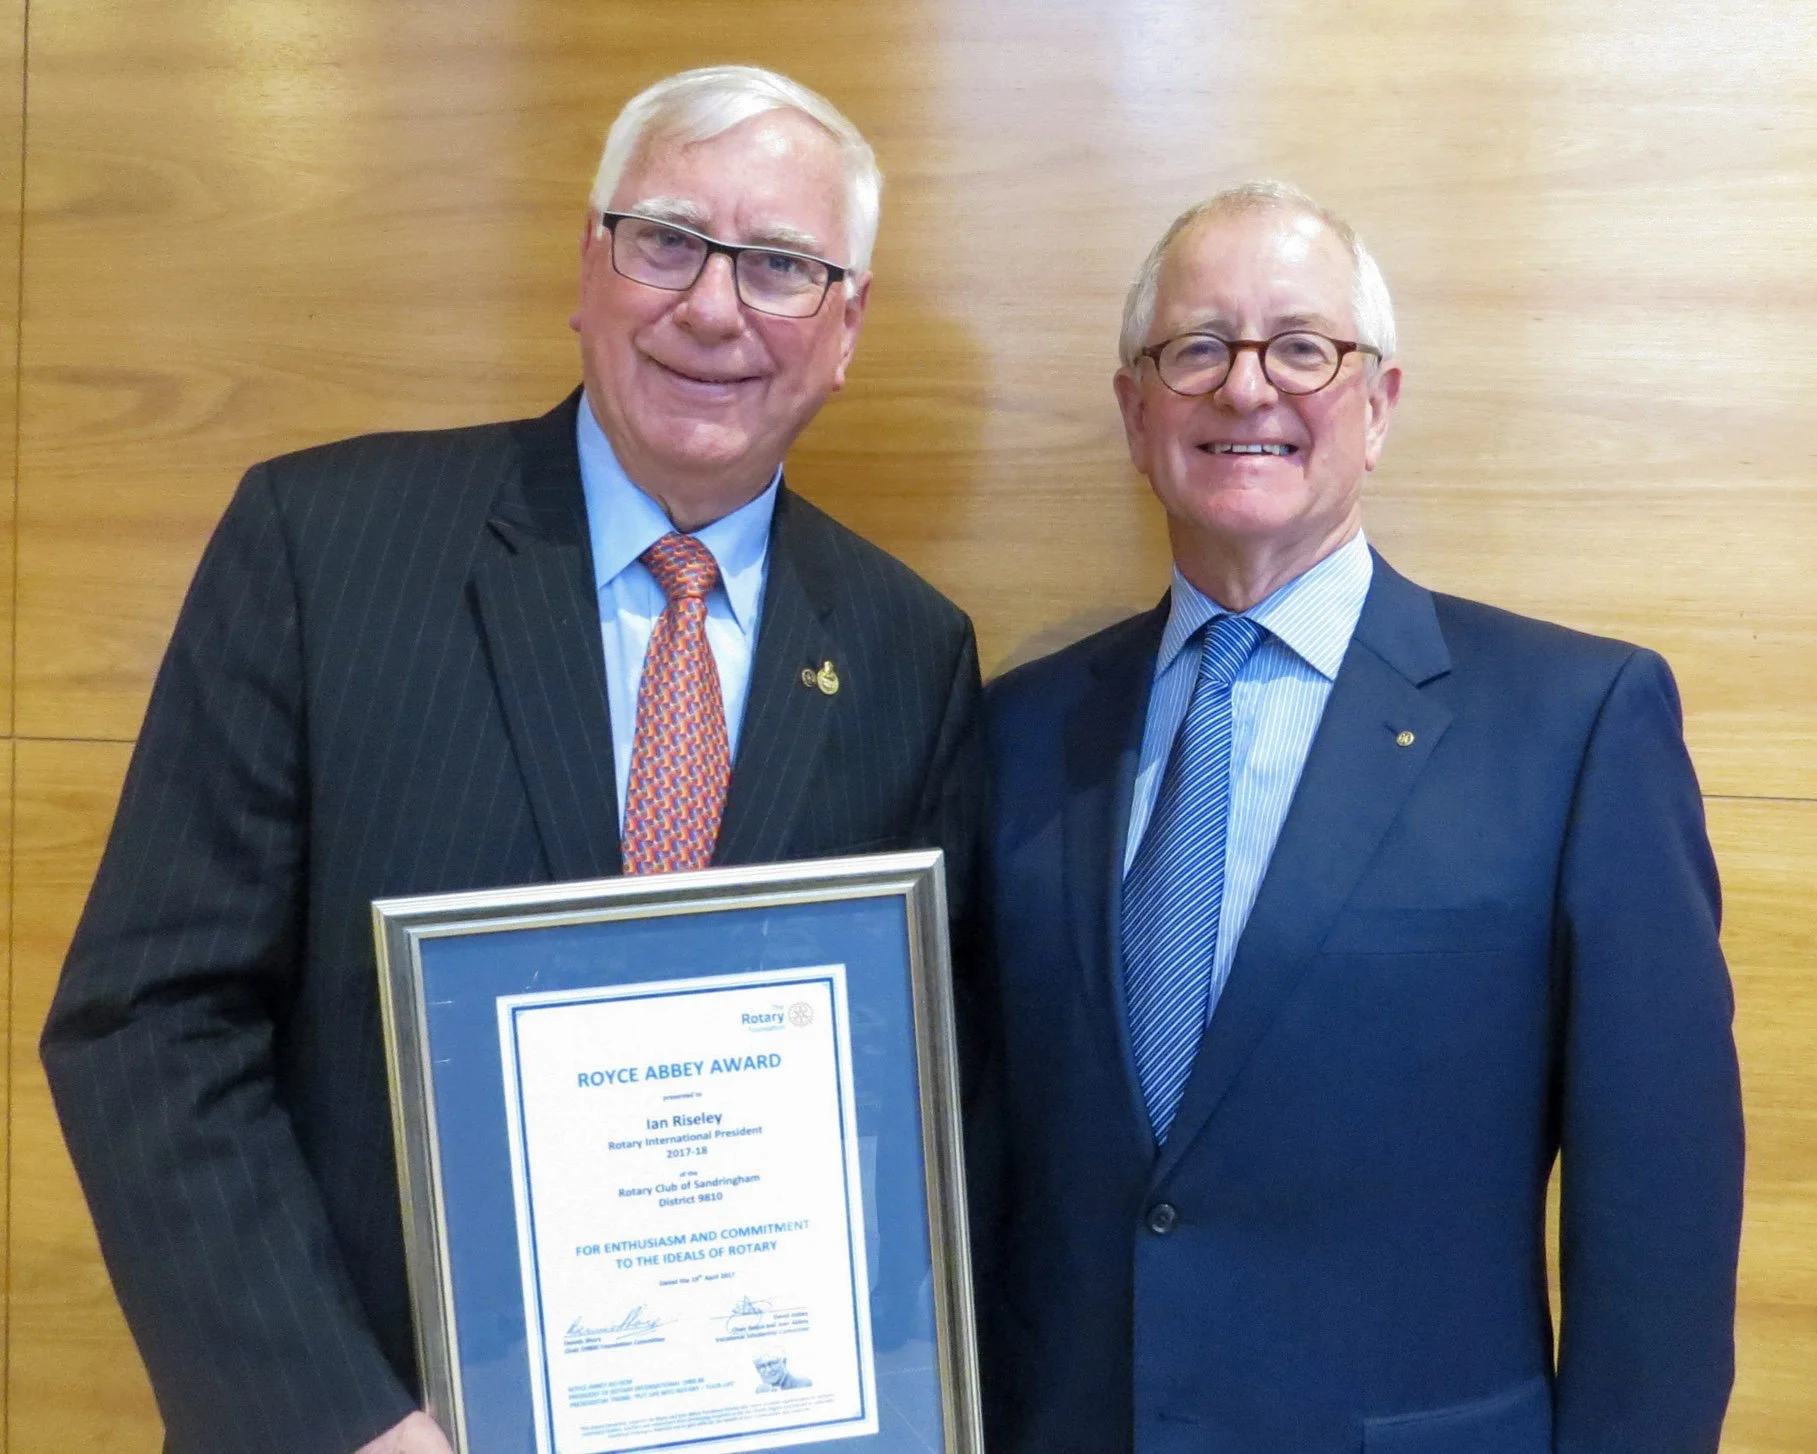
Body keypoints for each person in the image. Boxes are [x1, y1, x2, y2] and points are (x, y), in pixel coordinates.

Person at [41, 66, 982, 1454]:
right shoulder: (326, 546)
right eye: (669, 240)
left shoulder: (911, 649)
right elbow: (149, 1022)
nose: (715, 306)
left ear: (846, 328)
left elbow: (918, 1102)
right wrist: (341, 1419)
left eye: (781, 265)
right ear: (587, 266)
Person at [977, 181, 1744, 1453]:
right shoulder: (1014, 731)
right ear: (1134, 410)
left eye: (1301, 346)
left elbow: (1656, 1219)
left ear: (1376, 404)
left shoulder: (1574, 725)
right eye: (1197, 346)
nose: (1245, 388)